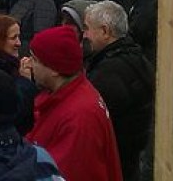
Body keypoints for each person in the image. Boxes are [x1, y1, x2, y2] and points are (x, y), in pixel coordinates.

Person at [23, 25, 122, 181]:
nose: (29, 64)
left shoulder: (79, 116)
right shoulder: (66, 95)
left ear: (54, 68)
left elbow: (65, 173)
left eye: (35, 59)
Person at [83, 1, 154, 181]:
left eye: (87, 28)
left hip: (119, 160)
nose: (85, 35)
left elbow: (92, 120)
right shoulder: (137, 57)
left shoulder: (108, 73)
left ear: (105, 31)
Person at [0, 15, 38, 134]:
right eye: (13, 38)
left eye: (19, 37)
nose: (19, 43)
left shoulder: (7, 64)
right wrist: (25, 81)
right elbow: (14, 109)